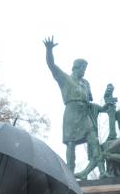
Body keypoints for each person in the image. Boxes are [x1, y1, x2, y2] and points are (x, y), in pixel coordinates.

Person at [43, 36, 105, 177]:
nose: (84, 71)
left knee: (94, 139)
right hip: (71, 113)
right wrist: (49, 50)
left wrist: (104, 107)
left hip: (84, 114)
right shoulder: (65, 78)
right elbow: (51, 65)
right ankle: (70, 174)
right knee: (71, 143)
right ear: (77, 68)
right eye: (83, 68)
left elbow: (90, 102)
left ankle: (102, 171)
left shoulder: (86, 83)